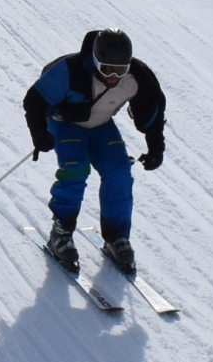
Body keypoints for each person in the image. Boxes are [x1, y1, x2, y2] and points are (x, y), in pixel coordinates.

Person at [23, 28, 166, 274]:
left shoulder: (137, 77)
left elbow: (153, 111)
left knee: (119, 171)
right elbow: (34, 100)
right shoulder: (71, 70)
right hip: (64, 123)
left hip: (101, 126)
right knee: (76, 169)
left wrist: (155, 147)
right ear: (95, 61)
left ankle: (117, 237)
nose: (113, 77)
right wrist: (39, 132)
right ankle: (61, 231)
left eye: (120, 70)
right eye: (106, 69)